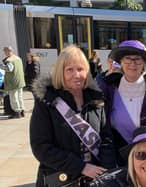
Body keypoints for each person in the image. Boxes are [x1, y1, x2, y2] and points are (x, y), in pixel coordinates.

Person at [30, 45, 115, 187]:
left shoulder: (96, 99)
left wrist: (106, 172)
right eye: (69, 69)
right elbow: (41, 147)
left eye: (80, 69)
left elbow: (107, 139)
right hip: (61, 178)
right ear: (60, 72)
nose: (76, 75)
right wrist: (81, 167)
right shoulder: (47, 101)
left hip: (95, 179)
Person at [96, 40, 146, 166]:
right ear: (121, 62)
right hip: (117, 158)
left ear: (144, 63)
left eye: (138, 59)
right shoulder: (108, 89)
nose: (132, 64)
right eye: (127, 59)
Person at [0, 46, 25, 118]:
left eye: (5, 52)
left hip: (13, 82)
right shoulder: (18, 58)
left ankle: (17, 113)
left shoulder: (10, 60)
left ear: (8, 51)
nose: (5, 53)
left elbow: (9, 69)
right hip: (20, 81)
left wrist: (1, 66)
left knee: (14, 98)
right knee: (20, 97)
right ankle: (22, 111)